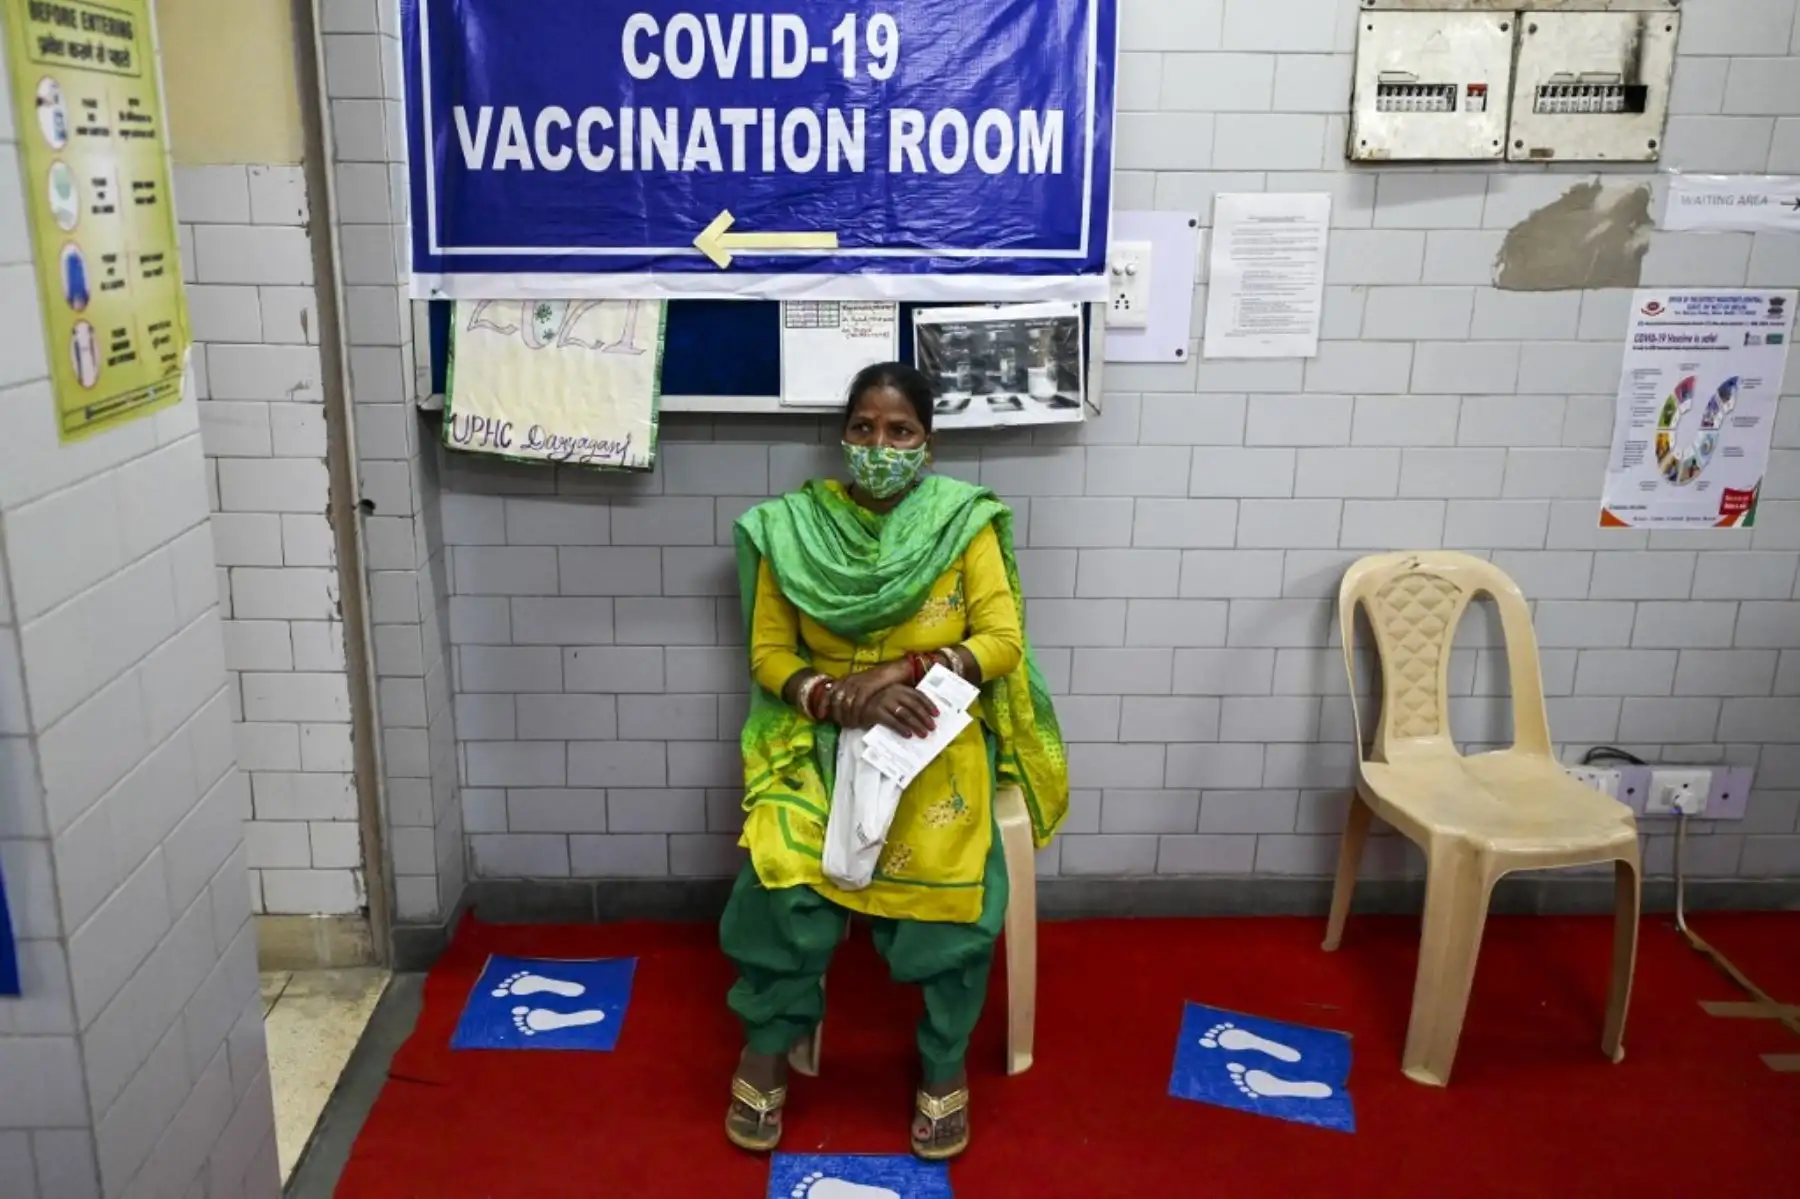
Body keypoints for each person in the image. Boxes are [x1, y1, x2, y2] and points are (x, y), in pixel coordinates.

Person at [722, 362, 1068, 1161]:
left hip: (930, 730)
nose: (880, 445)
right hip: (816, 728)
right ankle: (767, 1042)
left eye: (900, 431)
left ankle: (943, 1058)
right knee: (781, 865)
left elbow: (1003, 642)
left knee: (951, 886)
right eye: (865, 429)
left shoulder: (963, 522)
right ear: (844, 436)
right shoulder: (792, 529)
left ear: (928, 444)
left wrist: (905, 672)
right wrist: (839, 698)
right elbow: (769, 651)